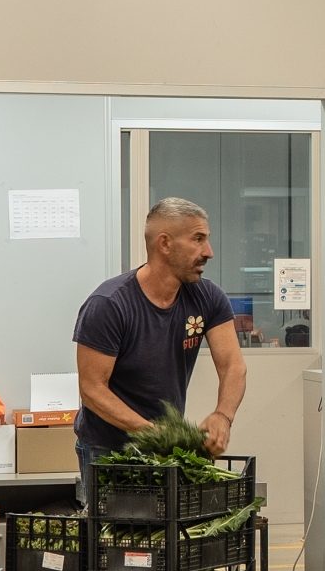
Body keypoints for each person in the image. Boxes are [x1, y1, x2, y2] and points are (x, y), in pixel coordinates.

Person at [73, 197, 248, 481]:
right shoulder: (109, 304)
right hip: (109, 451)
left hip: (166, 449)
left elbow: (233, 366)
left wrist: (223, 416)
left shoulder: (208, 297)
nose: (209, 252)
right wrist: (153, 433)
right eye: (198, 239)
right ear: (164, 244)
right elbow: (92, 389)